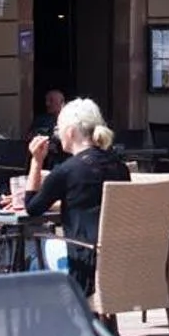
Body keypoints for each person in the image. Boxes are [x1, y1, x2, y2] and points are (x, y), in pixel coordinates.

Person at [17, 97, 130, 303]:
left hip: (84, 263)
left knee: (33, 261)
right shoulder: (119, 167)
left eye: (58, 130)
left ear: (70, 132)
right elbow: (92, 202)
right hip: (120, 260)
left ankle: (55, 326)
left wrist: (36, 160)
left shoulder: (68, 171)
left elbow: (32, 207)